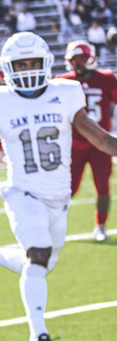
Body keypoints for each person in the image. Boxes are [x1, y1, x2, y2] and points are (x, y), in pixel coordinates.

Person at [0, 32, 117, 341]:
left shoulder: (67, 93)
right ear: (6, 68)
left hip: (58, 195)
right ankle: (39, 338)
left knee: (43, 263)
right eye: (20, 64)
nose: (27, 69)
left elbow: (101, 140)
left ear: (47, 64)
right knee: (38, 254)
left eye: (33, 63)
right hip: (22, 192)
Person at [57, 40, 117, 242]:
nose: (77, 63)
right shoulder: (61, 82)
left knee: (102, 186)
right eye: (74, 60)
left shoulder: (107, 79)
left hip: (101, 143)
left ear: (90, 58)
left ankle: (100, 226)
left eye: (81, 58)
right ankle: (55, 224)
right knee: (68, 188)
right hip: (74, 143)